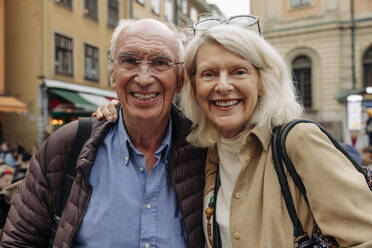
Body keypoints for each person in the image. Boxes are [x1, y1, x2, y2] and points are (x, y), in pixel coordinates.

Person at [97, 16, 372, 247]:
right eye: (209, 74)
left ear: (262, 81)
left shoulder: (298, 142)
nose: (223, 85)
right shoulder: (207, 153)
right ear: (192, 86)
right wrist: (114, 113)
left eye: (239, 72)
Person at [1, 19, 207, 248]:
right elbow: (19, 242)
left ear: (180, 80)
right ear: (112, 75)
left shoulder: (205, 153)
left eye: (160, 63)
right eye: (130, 61)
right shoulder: (67, 146)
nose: (144, 78)